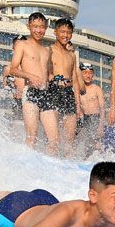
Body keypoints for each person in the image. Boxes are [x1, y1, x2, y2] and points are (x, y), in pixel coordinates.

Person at [9, 13, 55, 151]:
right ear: (29, 26)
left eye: (41, 27)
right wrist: (30, 76)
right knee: (32, 135)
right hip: (30, 93)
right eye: (35, 26)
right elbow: (13, 69)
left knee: (54, 140)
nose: (38, 30)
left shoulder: (47, 50)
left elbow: (49, 72)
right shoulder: (22, 45)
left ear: (46, 28)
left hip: (46, 94)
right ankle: (25, 169)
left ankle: (47, 169)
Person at [44, 18, 83, 156]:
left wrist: (78, 105)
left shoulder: (72, 55)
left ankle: (67, 170)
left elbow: (75, 81)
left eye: (68, 32)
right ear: (55, 32)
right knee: (53, 139)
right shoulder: (49, 50)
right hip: (52, 91)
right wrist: (55, 79)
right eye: (62, 32)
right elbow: (45, 72)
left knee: (69, 140)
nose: (65, 35)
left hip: (68, 93)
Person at [77, 62, 105, 153]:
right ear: (80, 74)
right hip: (82, 118)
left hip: (94, 118)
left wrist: (101, 125)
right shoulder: (77, 89)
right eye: (85, 73)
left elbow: (102, 109)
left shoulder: (97, 89)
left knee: (96, 146)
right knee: (82, 144)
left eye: (90, 73)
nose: (88, 76)